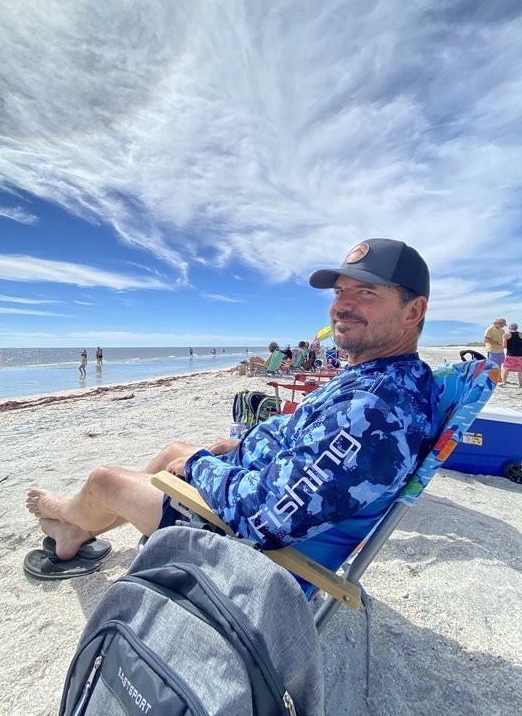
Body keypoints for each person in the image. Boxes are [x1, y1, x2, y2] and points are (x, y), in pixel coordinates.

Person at [26, 238, 437, 596]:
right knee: (172, 449)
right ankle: (76, 531)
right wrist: (243, 445)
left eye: (366, 292)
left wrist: (200, 466)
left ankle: (70, 519)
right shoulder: (384, 376)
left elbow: (267, 515)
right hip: (260, 489)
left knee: (106, 480)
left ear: (412, 311)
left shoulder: (376, 409)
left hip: (252, 548)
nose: (342, 306)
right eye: (340, 292)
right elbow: (312, 449)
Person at [499, 323, 522, 387]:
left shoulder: (506, 335)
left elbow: (504, 345)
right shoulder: (521, 334)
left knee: (506, 368)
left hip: (510, 354)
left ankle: (503, 382)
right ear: (516, 328)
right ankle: (521, 384)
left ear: (509, 328)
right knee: (520, 370)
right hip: (520, 355)